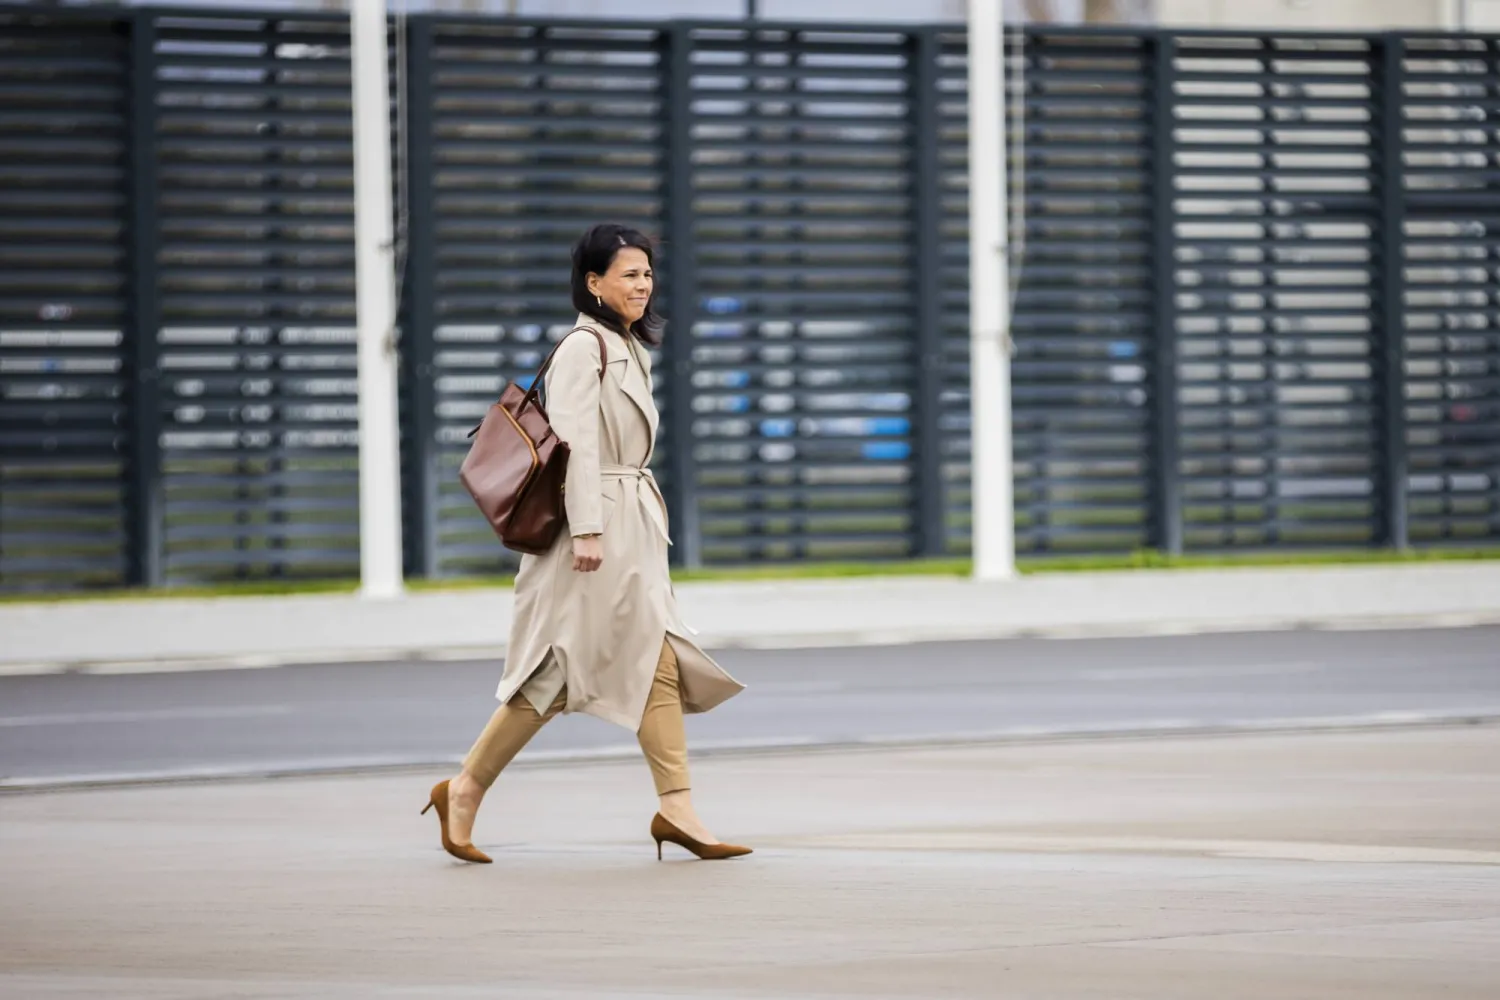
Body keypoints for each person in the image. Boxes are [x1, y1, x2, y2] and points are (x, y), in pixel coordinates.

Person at [422, 223, 751, 863]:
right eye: (629, 274)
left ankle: (677, 809)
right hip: (592, 532)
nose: (642, 284)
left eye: (647, 273)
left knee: (656, 657)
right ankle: (463, 788)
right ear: (593, 282)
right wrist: (590, 529)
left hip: (630, 526)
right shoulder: (583, 347)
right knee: (552, 672)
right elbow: (574, 442)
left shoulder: (627, 347)